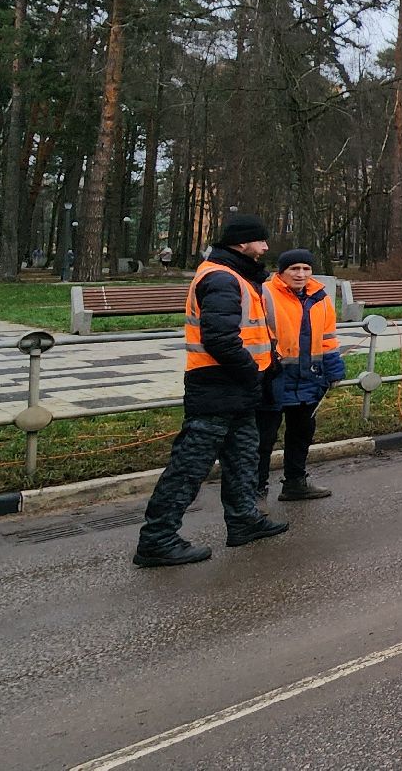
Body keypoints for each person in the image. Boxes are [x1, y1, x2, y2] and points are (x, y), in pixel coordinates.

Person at [132, 214, 288, 567]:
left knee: (242, 458)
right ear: (241, 244)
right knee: (189, 466)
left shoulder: (235, 275)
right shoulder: (221, 278)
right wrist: (251, 370)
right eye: (260, 241)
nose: (265, 247)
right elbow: (219, 338)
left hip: (237, 386)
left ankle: (244, 520)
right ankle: (157, 539)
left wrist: (268, 362)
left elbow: (247, 332)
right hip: (219, 385)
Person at [257, 249, 344, 501]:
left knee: (301, 433)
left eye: (306, 269)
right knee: (264, 437)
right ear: (281, 272)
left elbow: (327, 337)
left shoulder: (319, 297)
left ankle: (295, 482)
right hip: (274, 377)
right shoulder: (265, 294)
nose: (301, 274)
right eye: (294, 269)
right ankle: (256, 489)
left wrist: (333, 366)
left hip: (308, 378)